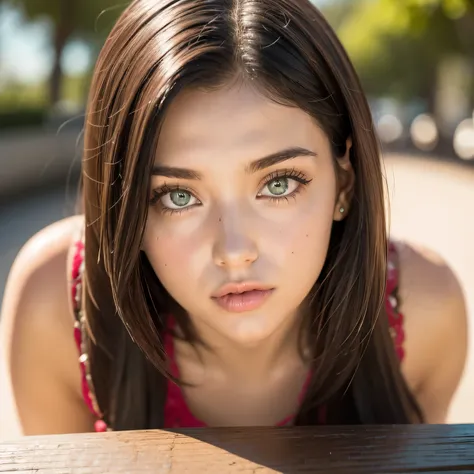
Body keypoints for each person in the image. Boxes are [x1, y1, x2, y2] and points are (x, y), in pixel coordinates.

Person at [0, 0, 467, 435]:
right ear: (128, 211)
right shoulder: (59, 308)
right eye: (178, 196)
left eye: (278, 184)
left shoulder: (424, 311)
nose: (235, 250)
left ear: (344, 183)